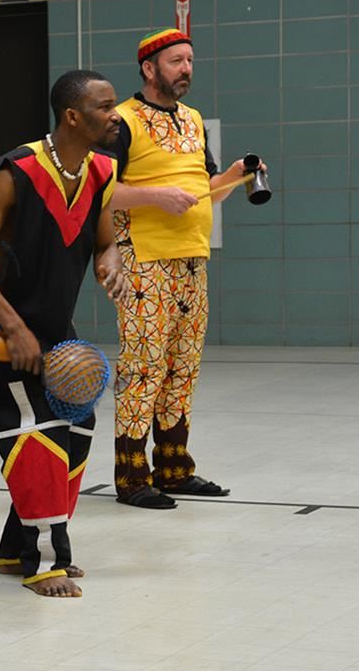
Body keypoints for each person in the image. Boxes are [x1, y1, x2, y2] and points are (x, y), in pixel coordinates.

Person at [0, 69, 126, 598]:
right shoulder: (15, 171)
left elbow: (103, 237)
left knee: (79, 424)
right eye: (106, 105)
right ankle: (42, 560)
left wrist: (109, 257)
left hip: (53, 332)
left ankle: (13, 544)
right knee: (36, 434)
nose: (116, 114)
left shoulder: (101, 172)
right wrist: (12, 323)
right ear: (73, 116)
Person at [109, 28, 264, 509]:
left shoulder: (194, 120)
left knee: (183, 368)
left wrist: (234, 176)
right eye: (176, 61)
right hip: (143, 258)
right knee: (144, 367)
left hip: (193, 259)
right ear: (149, 68)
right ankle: (132, 477)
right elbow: (97, 192)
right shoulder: (121, 122)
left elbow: (206, 190)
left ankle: (174, 468)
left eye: (190, 60)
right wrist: (155, 196)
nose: (187, 69)